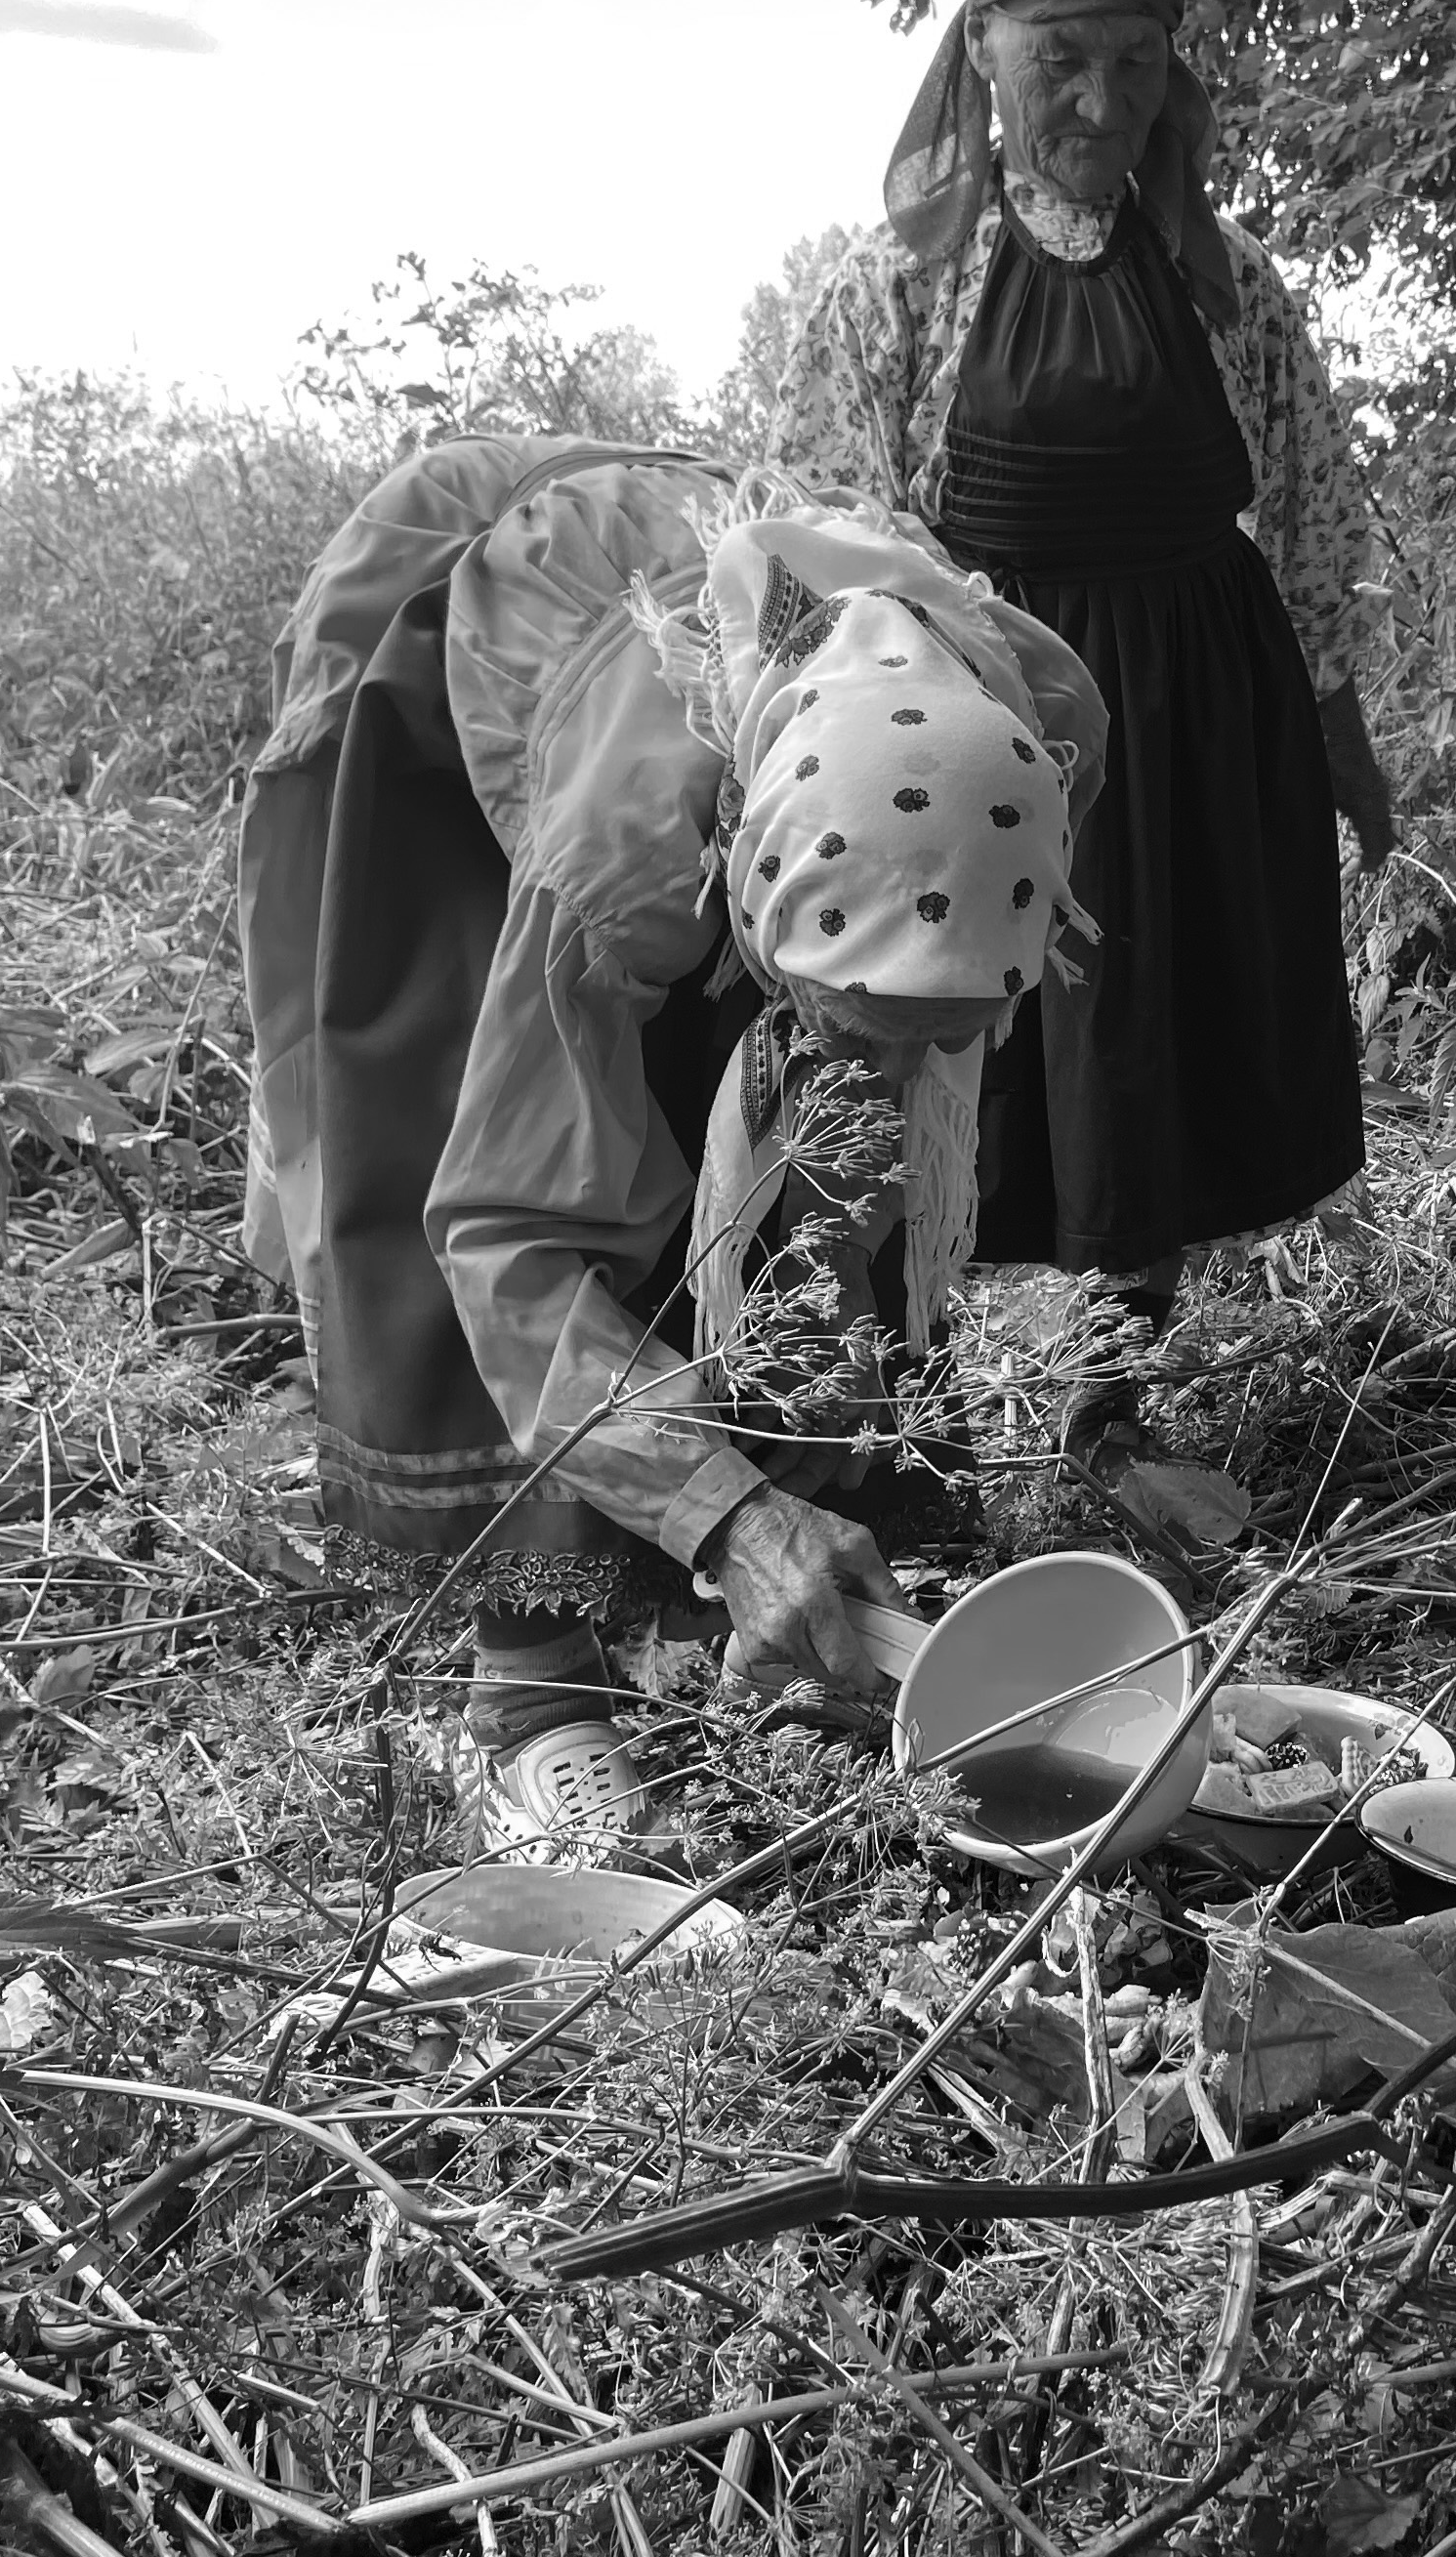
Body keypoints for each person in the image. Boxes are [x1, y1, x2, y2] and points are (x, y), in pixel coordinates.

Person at [240, 454, 1106, 1858]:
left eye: (945, 1029)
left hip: (757, 775)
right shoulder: (622, 872)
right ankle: (529, 1693)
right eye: (865, 1019)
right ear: (755, 899)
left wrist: (796, 1460)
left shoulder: (1029, 734)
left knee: (817, 1122)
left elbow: (874, 1100)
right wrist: (726, 1519)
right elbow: (509, 1239)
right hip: (475, 723)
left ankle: (816, 1609)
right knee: (512, 1147)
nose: (895, 1065)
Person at [772, 0, 1394, 1471]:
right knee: (931, 1036)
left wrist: (1339, 735)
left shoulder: (1224, 281)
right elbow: (822, 523)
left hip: (1194, 715)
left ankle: (1116, 1386)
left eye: (1135, 60)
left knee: (1155, 1044)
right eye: (1061, 60)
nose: (1102, 101)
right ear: (980, 49)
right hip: (974, 718)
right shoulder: (899, 282)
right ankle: (892, 1401)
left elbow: (1312, 509)